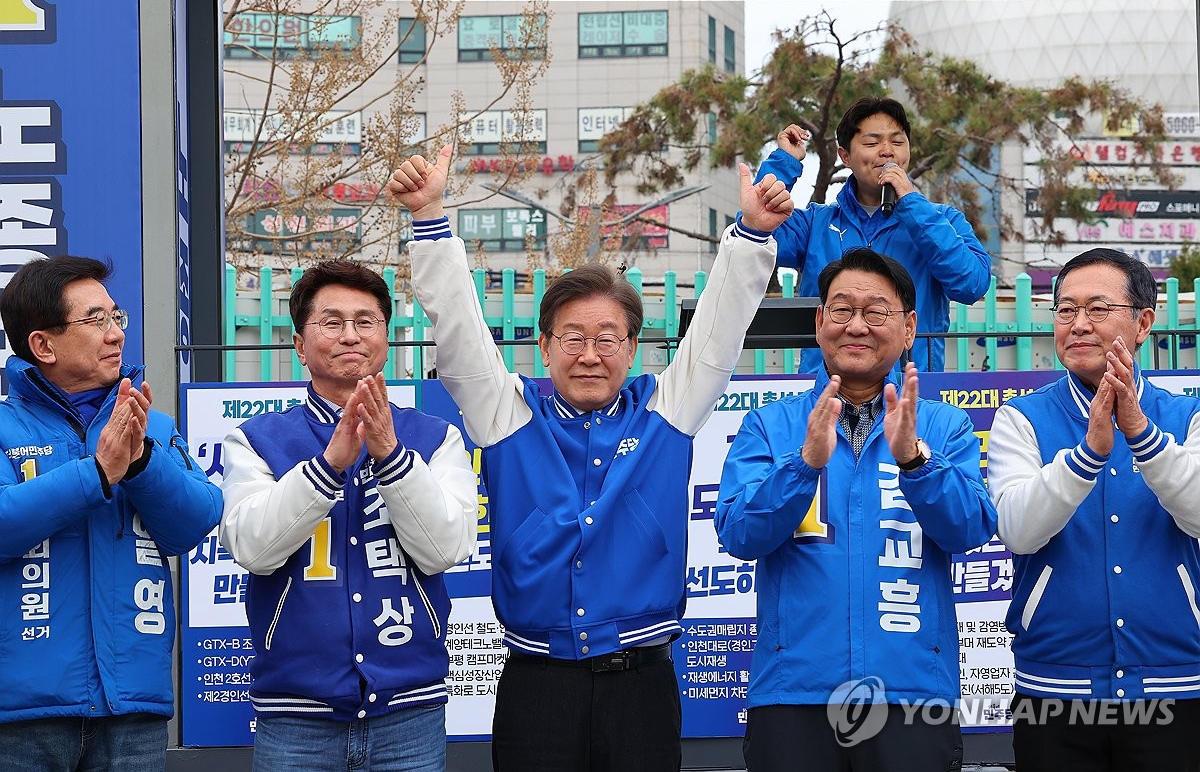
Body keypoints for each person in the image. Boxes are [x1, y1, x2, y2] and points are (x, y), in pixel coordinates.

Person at [387, 144, 788, 771]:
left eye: (608, 338)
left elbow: (717, 331)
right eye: (573, 337)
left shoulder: (667, 413)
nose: (590, 353)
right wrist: (431, 219)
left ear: (632, 349)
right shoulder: (508, 417)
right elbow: (461, 338)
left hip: (642, 685)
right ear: (545, 346)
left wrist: (751, 237)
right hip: (535, 684)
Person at [715, 247, 996, 771]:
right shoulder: (769, 426)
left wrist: (915, 461)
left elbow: (970, 529)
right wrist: (803, 466)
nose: (857, 325)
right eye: (842, 310)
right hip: (794, 695)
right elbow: (737, 534)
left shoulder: (943, 427)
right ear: (820, 322)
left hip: (913, 696)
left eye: (876, 312)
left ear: (909, 328)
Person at [219, 261, 478, 772]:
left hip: (409, 710)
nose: (350, 336)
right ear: (298, 343)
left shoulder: (434, 436)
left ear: (386, 336)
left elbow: (446, 548)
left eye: (366, 321)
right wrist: (328, 465)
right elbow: (253, 548)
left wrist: (391, 458)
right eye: (331, 322)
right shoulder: (257, 440)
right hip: (295, 714)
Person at [0, 256, 223, 771]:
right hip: (23, 714)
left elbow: (197, 519)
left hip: (132, 708)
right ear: (43, 345)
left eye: (116, 316)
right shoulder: (5, 427)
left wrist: (142, 460)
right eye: (95, 321)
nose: (116, 334)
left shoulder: (151, 426)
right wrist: (97, 473)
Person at [988, 248, 1200, 772]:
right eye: (1065, 310)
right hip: (1054, 689)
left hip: (1178, 682)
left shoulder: (1186, 414)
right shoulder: (1021, 418)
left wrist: (1143, 437)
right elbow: (1017, 530)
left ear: (1144, 322)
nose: (1078, 324)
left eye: (1098, 309)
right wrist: (1086, 458)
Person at [756, 96, 991, 373]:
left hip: (912, 394)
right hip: (826, 394)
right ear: (845, 156)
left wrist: (912, 206)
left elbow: (972, 284)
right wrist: (784, 162)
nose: (887, 152)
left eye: (898, 141)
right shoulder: (815, 223)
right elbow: (755, 230)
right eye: (872, 143)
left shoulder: (944, 220)